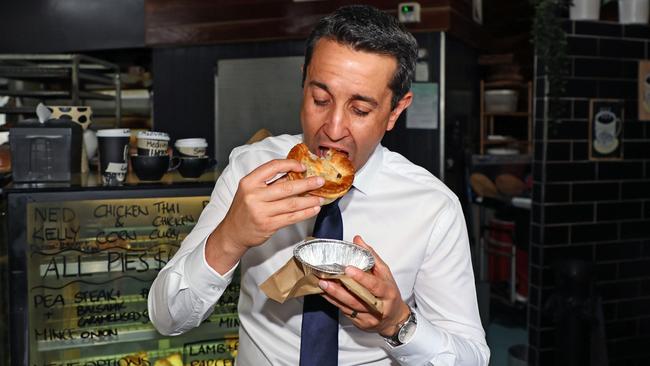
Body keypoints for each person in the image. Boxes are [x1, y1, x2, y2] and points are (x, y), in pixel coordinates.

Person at [148, 5, 489, 365]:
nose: (334, 127)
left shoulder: (433, 206)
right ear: (303, 81)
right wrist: (230, 238)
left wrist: (398, 323)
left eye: (360, 110)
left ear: (395, 111)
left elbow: (472, 357)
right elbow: (167, 319)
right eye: (320, 99)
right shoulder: (251, 169)